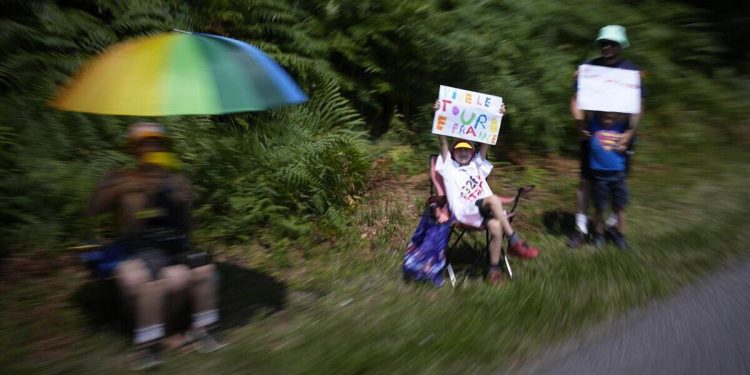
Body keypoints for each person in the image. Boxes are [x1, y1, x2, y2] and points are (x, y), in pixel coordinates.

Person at [89, 122, 224, 370]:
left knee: (195, 272)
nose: (151, 147)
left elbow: (187, 226)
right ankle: (151, 344)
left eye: (156, 143)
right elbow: (94, 209)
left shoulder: (175, 179)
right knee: (145, 280)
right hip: (134, 248)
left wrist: (180, 199)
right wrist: (111, 186)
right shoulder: (123, 177)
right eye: (144, 143)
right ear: (134, 149)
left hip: (169, 247)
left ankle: (197, 331)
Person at [568, 25, 644, 248]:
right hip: (592, 133)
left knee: (618, 180)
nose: (607, 47)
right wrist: (580, 123)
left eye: (612, 43)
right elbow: (575, 99)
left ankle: (612, 226)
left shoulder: (631, 70)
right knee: (585, 182)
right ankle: (581, 229)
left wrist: (630, 132)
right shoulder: (589, 68)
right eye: (603, 43)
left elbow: (638, 105)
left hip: (622, 135)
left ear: (620, 45)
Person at [435, 135, 540, 286]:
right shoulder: (449, 168)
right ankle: (514, 241)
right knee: (493, 199)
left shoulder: (476, 165)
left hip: (484, 211)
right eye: (459, 150)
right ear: (453, 152)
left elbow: (486, 142)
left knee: (496, 226)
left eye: (467, 149)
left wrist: (495, 118)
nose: (463, 153)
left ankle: (493, 269)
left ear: (472, 152)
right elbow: (443, 142)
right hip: (465, 210)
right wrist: (442, 134)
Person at [588, 112, 630, 250]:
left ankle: (620, 236)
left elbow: (632, 114)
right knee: (599, 208)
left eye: (611, 115)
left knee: (619, 208)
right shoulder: (594, 125)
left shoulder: (622, 126)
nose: (608, 116)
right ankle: (598, 236)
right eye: (605, 114)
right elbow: (589, 109)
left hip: (618, 174)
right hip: (599, 175)